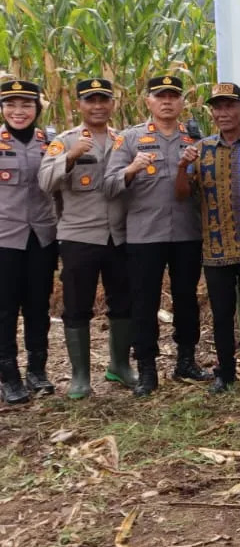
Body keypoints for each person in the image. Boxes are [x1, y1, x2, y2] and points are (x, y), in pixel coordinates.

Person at [104, 75, 210, 396]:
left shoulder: (195, 139)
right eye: (160, 96)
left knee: (187, 299)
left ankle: (186, 361)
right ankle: (147, 368)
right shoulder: (130, 139)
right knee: (144, 302)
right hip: (144, 235)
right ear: (148, 102)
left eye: (173, 96)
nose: (167, 102)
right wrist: (131, 169)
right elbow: (107, 186)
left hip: (187, 233)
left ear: (182, 103)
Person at [38, 78, 133, 399]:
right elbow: (45, 181)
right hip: (79, 236)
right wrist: (71, 156)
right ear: (78, 105)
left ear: (112, 104)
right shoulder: (64, 141)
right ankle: (80, 377)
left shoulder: (124, 140)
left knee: (123, 303)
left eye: (103, 100)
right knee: (77, 307)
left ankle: (120, 365)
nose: (97, 106)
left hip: (119, 236)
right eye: (90, 100)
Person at [175, 83, 240, 394]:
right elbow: (182, 194)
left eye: (230, 106)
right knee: (221, 314)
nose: (223, 112)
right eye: (217, 107)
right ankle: (225, 372)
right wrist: (181, 166)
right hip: (215, 247)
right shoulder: (200, 150)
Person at [0, 80, 58, 404]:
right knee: (5, 309)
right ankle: (9, 377)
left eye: (26, 105)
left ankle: (37, 370)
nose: (18, 112)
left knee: (38, 305)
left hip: (42, 236)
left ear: (37, 108)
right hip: (5, 238)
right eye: (11, 105)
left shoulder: (49, 140)